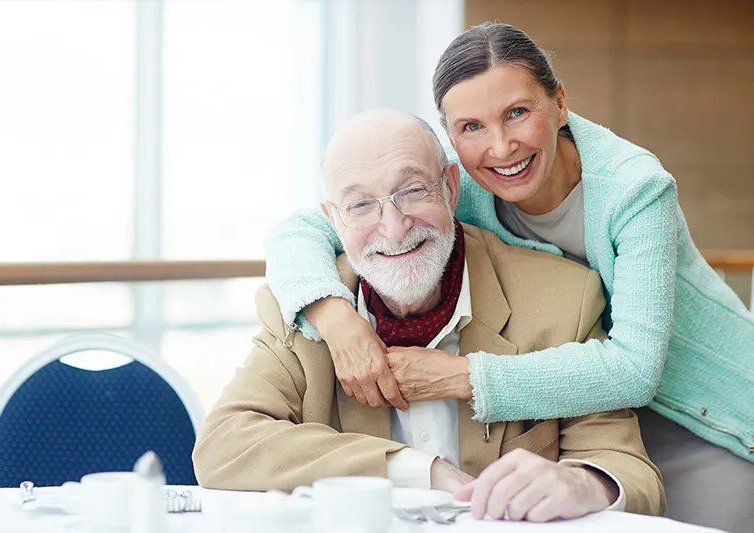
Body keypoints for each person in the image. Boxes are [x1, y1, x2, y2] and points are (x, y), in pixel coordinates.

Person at [264, 22, 754, 533]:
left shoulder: (636, 189)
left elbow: (635, 369)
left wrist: (456, 377)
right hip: (599, 421)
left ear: (559, 104)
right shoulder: (457, 183)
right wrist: (335, 315)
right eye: (471, 127)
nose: (501, 148)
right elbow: (298, 230)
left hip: (713, 419)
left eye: (517, 113)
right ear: (450, 138)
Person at [193, 109, 664, 521]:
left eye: (413, 190)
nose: (394, 227)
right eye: (360, 204)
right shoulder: (303, 310)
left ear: (451, 188)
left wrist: (584, 483)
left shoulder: (565, 297)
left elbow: (631, 472)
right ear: (333, 220)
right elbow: (225, 445)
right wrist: (419, 471)